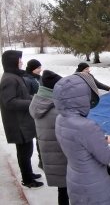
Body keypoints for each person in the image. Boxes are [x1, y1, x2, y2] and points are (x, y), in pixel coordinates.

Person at [54, 72, 110, 204]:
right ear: (79, 98)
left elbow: (78, 141)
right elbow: (106, 156)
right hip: (94, 186)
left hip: (75, 180)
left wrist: (103, 139)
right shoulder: (86, 126)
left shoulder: (60, 119)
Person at [0, 50, 43, 189]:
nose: (22, 62)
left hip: (23, 122)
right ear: (13, 62)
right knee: (24, 153)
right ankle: (27, 179)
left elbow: (23, 96)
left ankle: (29, 173)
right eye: (19, 60)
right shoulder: (9, 79)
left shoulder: (15, 76)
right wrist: (31, 103)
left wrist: (35, 98)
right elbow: (10, 102)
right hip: (18, 124)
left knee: (27, 151)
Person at [29, 70, 69, 205]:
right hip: (61, 155)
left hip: (50, 155)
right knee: (68, 190)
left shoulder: (40, 103)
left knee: (62, 190)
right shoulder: (55, 109)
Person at [23, 58, 43, 169]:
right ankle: (41, 161)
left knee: (42, 137)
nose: (40, 69)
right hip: (34, 112)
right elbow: (26, 95)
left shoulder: (39, 78)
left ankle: (43, 160)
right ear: (32, 68)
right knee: (39, 137)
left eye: (40, 67)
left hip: (43, 110)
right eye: (38, 68)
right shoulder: (26, 79)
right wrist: (38, 98)